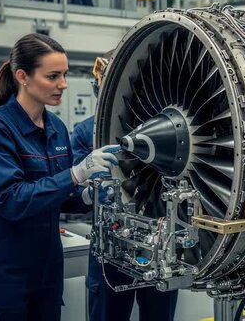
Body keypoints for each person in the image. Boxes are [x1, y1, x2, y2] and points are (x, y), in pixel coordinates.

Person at [0, 33, 119, 321]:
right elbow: (11, 200)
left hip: (44, 269)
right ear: (23, 76)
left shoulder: (55, 127)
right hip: (0, 268)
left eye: (65, 75)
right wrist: (76, 173)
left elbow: (58, 194)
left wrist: (86, 195)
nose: (63, 85)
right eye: (53, 76)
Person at [71, 56, 179, 321]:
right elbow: (72, 188)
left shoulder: (164, 130)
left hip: (157, 243)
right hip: (111, 245)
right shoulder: (86, 131)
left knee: (158, 312)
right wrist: (88, 192)